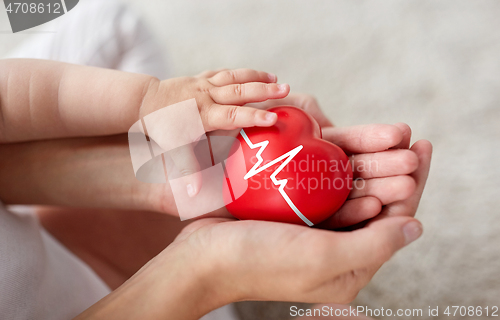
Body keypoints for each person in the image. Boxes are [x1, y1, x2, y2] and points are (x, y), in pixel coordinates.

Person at [0, 1, 432, 319]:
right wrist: (206, 273)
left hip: (40, 185)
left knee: (107, 22)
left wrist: (148, 101)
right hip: (140, 301)